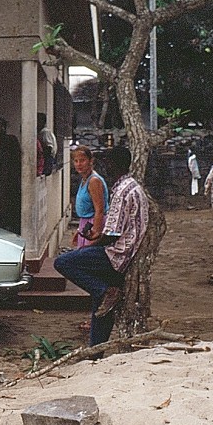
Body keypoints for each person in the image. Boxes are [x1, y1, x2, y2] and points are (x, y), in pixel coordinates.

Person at [54, 146, 149, 347]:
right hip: (124, 251)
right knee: (102, 307)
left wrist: (91, 244)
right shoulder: (133, 187)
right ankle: (96, 349)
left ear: (113, 164)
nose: (106, 166)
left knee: (63, 262)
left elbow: (111, 233)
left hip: (117, 254)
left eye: (108, 162)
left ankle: (104, 292)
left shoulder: (121, 190)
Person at [70, 145, 109, 249]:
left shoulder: (94, 181)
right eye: (76, 161)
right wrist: (80, 230)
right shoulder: (84, 180)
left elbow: (99, 211)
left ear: (91, 161)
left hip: (94, 224)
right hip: (86, 224)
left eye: (82, 160)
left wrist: (95, 234)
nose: (79, 164)